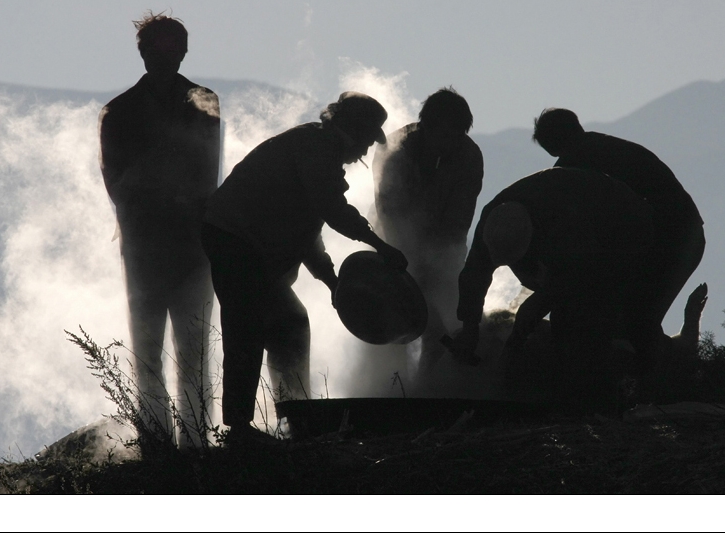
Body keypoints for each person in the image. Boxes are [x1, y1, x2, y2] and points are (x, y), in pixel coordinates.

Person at [201, 92, 407, 442]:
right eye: (368, 141)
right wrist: (380, 245)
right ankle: (238, 429)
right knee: (247, 326)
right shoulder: (317, 147)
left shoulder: (318, 148)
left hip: (248, 245)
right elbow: (331, 209)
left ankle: (295, 416)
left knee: (290, 325)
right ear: (355, 131)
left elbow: (307, 229)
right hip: (235, 240)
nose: (365, 152)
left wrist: (330, 280)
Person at [98, 12, 220, 449]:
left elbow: (207, 176)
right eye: (158, 48)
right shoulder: (121, 111)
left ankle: (193, 442)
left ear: (183, 51)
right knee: (152, 349)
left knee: (191, 348)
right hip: (152, 243)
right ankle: (159, 442)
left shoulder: (128, 109)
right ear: (145, 52)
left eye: (172, 48)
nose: (166, 56)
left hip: (182, 243)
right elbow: (118, 182)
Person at [532, 108, 705, 372]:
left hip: (672, 238)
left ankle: (662, 383)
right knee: (627, 321)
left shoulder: (574, 168)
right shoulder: (602, 149)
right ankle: (672, 362)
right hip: (678, 234)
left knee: (633, 322)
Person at [448, 167, 654, 374]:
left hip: (626, 228)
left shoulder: (565, 228)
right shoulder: (493, 222)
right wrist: (469, 328)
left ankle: (621, 375)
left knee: (584, 320)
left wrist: (517, 339)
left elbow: (562, 285)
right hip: (574, 225)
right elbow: (474, 275)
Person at [367, 87, 483, 384]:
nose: (450, 144)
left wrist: (438, 263)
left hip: (444, 251)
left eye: (457, 136)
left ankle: (430, 387)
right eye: (444, 136)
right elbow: (389, 210)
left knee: (443, 323)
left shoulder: (469, 156)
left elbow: (459, 221)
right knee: (395, 325)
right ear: (426, 126)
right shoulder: (394, 150)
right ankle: (390, 388)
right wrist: (408, 264)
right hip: (393, 247)